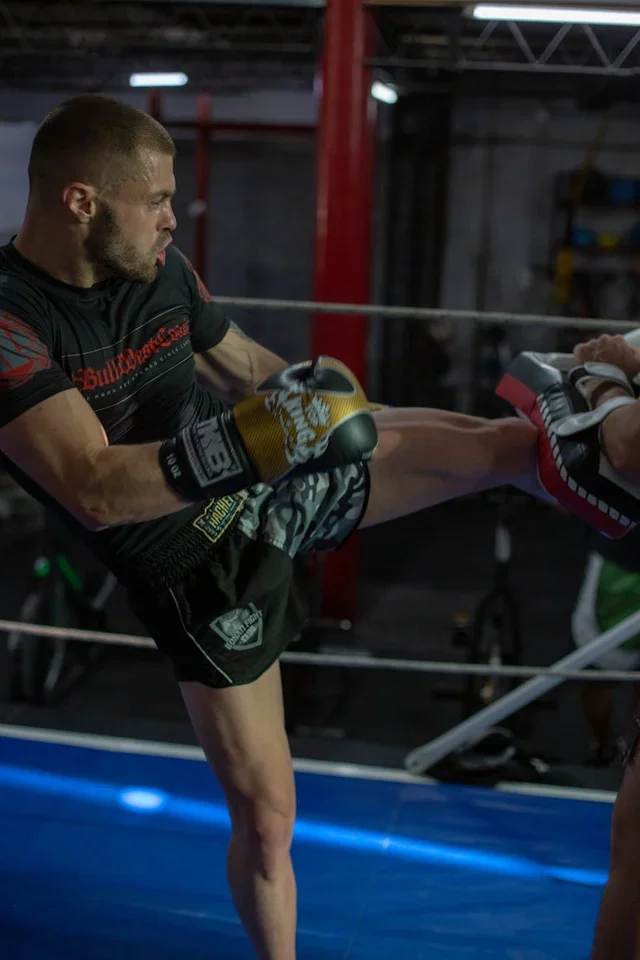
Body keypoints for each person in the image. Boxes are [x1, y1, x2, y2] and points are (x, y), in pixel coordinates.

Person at [0, 94, 544, 960]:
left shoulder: (158, 269)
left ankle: (602, 434)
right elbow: (94, 487)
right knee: (267, 819)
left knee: (499, 448)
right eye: (156, 201)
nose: (173, 218)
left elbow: (245, 366)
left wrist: (323, 402)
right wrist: (264, 440)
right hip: (194, 576)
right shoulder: (12, 322)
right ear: (81, 202)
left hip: (264, 487)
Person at [571, 529, 640, 766]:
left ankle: (613, 749)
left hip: (619, 556)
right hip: (620, 557)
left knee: (598, 670)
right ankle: (625, 752)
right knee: (600, 664)